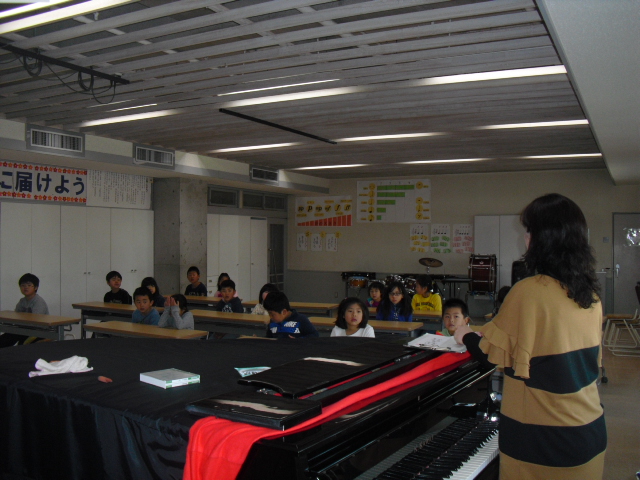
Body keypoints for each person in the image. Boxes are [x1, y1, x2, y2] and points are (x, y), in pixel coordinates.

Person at [454, 193, 606, 480]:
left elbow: (489, 355)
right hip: (589, 431)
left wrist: (465, 334)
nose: (525, 238)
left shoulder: (528, 291)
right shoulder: (591, 296)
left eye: (528, 231)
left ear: (542, 239)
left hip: (542, 440)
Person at [0, 273, 50, 348]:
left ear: (36, 287)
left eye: (29, 285)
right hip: (24, 329)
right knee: (4, 340)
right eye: (23, 285)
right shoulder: (22, 301)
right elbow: (16, 316)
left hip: (38, 332)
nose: (25, 287)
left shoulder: (38, 302)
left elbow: (36, 321)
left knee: (22, 346)